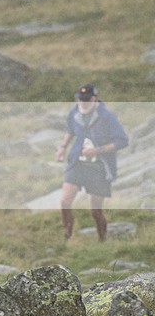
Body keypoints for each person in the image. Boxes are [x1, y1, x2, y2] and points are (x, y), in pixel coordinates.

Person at [55, 84, 128, 241]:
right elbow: (70, 130)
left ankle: (103, 239)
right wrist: (62, 148)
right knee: (64, 201)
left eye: (86, 99)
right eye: (80, 99)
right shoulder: (75, 112)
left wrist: (98, 150)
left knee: (95, 211)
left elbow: (122, 141)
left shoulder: (108, 117)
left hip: (99, 167)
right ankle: (67, 235)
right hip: (77, 163)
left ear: (95, 99)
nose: (83, 103)